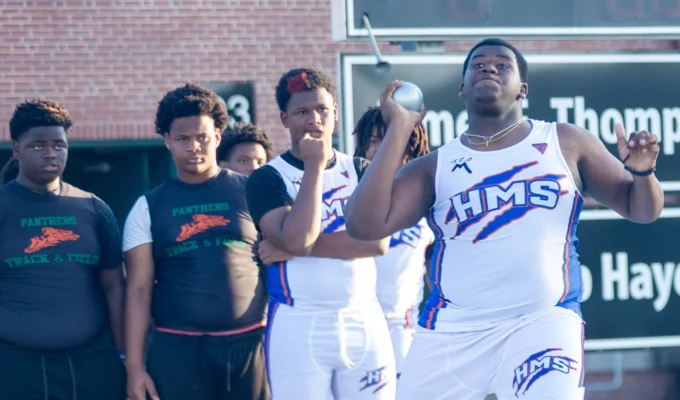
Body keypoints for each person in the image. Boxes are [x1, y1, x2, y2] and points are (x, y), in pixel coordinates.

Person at [345, 38, 664, 399]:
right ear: (462, 88)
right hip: (453, 332)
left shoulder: (565, 141)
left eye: (502, 65)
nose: (489, 68)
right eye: (478, 64)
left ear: (522, 89)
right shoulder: (436, 165)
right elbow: (363, 226)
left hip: (542, 321)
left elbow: (642, 210)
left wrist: (643, 173)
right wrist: (399, 128)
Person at [245, 67, 394, 400]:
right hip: (298, 323)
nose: (314, 119)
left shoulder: (360, 169)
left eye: (322, 109)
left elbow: (377, 241)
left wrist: (296, 248)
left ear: (335, 113)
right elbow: (298, 238)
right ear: (284, 119)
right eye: (302, 112)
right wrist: (314, 166)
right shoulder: (267, 177)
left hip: (363, 318)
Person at [122, 83, 270, 400]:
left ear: (217, 136)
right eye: (183, 139)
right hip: (178, 351)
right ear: (167, 141)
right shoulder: (147, 207)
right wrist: (134, 367)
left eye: (202, 137)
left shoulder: (253, 192)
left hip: (250, 345)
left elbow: (281, 261)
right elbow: (138, 290)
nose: (194, 147)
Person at [0, 98, 127, 400]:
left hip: (91, 364)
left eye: (58, 145)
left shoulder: (94, 208)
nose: (50, 153)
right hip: (15, 366)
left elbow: (114, 286)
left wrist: (123, 355)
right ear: (16, 148)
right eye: (38, 145)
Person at [351, 106, 434, 369]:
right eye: (373, 141)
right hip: (351, 325)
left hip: (403, 330)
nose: (379, 149)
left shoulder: (429, 198)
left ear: (409, 146)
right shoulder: (345, 193)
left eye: (388, 140)